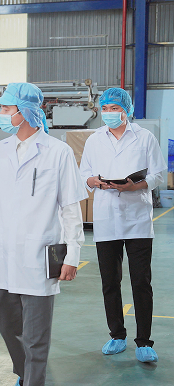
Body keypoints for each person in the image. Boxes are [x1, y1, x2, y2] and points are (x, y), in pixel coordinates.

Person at [0, 83, 87, 386]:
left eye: (6, 109)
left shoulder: (58, 152)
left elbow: (70, 209)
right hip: (3, 256)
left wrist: (73, 255)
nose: (2, 114)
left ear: (24, 112)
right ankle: (24, 375)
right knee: (8, 326)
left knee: (37, 339)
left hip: (40, 257)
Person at [79, 87, 167, 363]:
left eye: (114, 109)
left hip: (137, 217)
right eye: (105, 108)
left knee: (141, 281)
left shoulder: (145, 137)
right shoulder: (94, 139)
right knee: (110, 282)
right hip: (106, 218)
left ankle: (144, 341)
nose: (109, 113)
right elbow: (84, 173)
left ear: (126, 110)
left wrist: (136, 186)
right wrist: (94, 181)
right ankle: (117, 335)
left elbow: (159, 173)